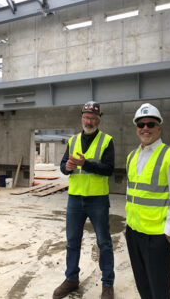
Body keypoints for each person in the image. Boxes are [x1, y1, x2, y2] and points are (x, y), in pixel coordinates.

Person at [125, 103, 170, 299]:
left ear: (159, 127)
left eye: (150, 124)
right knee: (142, 285)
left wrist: (167, 234)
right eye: (141, 124)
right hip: (133, 233)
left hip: (156, 237)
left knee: (159, 289)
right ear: (136, 129)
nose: (145, 128)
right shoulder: (131, 156)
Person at [53, 101, 115, 299]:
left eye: (93, 118)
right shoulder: (73, 140)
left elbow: (109, 169)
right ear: (82, 118)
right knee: (72, 241)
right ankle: (71, 279)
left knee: (104, 242)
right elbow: (63, 166)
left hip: (97, 200)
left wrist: (84, 163)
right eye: (86, 117)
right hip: (75, 199)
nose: (89, 121)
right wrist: (68, 167)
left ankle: (107, 284)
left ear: (98, 119)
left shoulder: (107, 141)